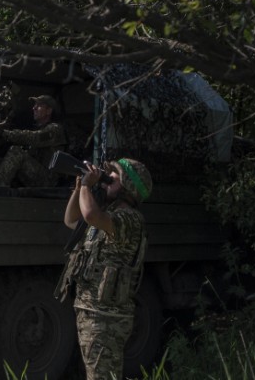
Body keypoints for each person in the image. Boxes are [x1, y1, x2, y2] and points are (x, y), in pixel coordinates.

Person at [55, 157, 152, 380]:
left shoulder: (129, 219)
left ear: (129, 188)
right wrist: (80, 187)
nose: (107, 182)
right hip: (93, 313)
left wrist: (89, 186)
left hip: (106, 319)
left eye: (113, 179)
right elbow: (72, 220)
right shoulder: (109, 216)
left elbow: (90, 215)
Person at [0, 94, 67, 187]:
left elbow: (34, 138)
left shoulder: (55, 130)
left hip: (47, 180)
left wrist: (3, 133)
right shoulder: (39, 128)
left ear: (49, 111)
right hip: (34, 174)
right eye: (35, 105)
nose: (34, 108)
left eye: (39, 106)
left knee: (16, 152)